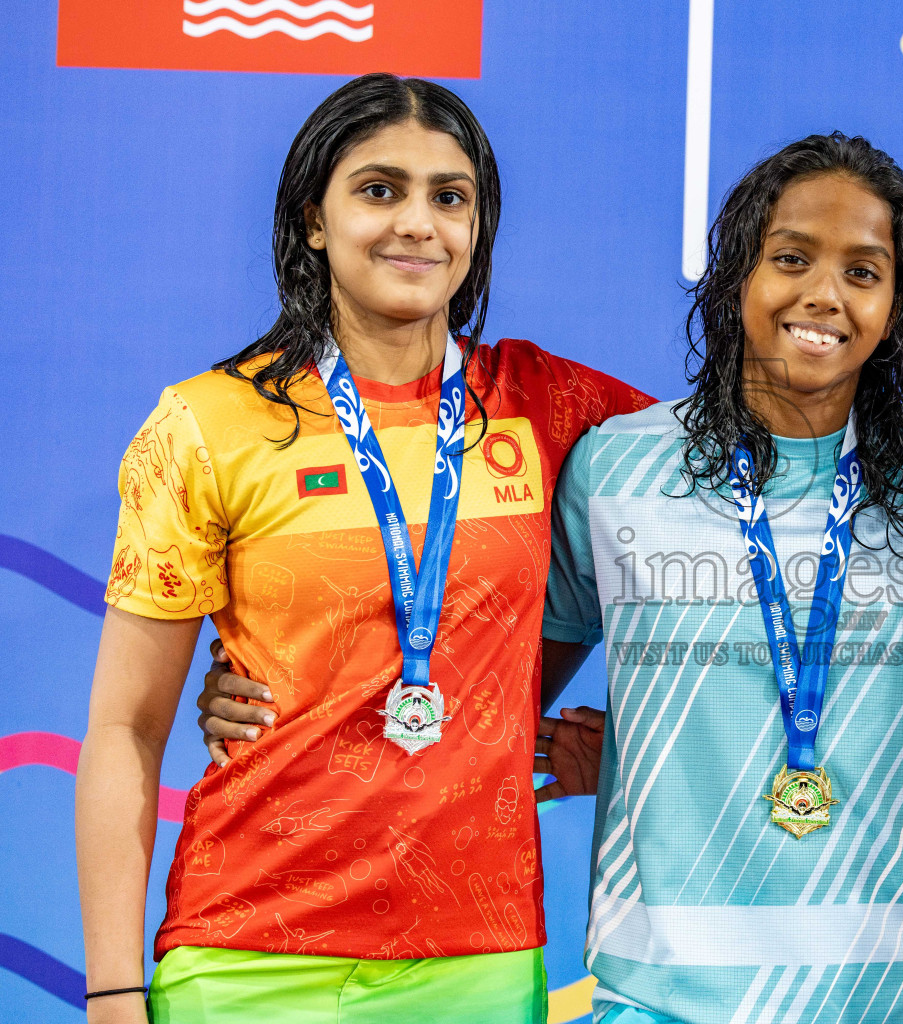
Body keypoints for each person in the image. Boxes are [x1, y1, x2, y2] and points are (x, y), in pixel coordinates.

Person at [193, 135, 903, 1022]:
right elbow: (482, 662)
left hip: (900, 989)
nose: (821, 296)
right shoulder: (616, 464)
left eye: (863, 270)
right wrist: (291, 695)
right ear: (736, 271)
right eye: (790, 258)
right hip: (657, 986)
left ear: (899, 307)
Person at [76, 73, 645, 1024]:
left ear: (478, 226)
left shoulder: (552, 407)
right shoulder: (209, 424)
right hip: (246, 949)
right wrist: (112, 990)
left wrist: (614, 738)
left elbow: (736, 482)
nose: (417, 223)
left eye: (448, 197)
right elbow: (124, 732)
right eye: (379, 190)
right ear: (313, 220)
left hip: (481, 956)